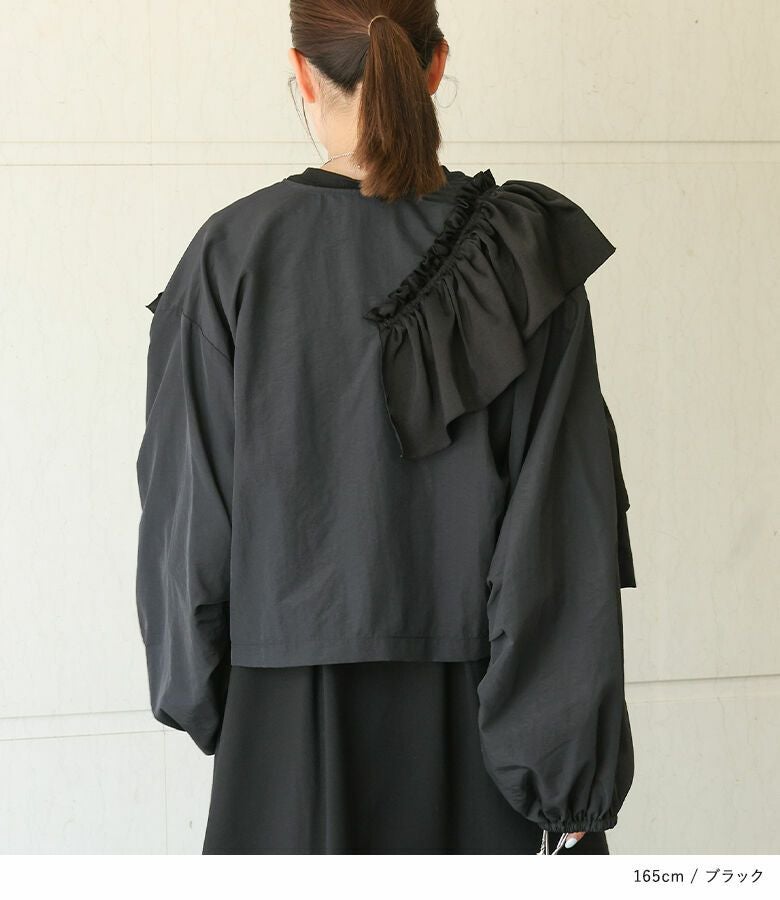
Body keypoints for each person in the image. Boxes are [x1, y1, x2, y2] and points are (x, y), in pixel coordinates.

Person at [134, 0, 637, 855]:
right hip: (478, 740)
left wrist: (230, 704)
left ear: (302, 74)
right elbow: (562, 534)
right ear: (435, 64)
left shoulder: (229, 257)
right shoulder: (521, 254)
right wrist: (566, 778)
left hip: (280, 732)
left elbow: (185, 534)